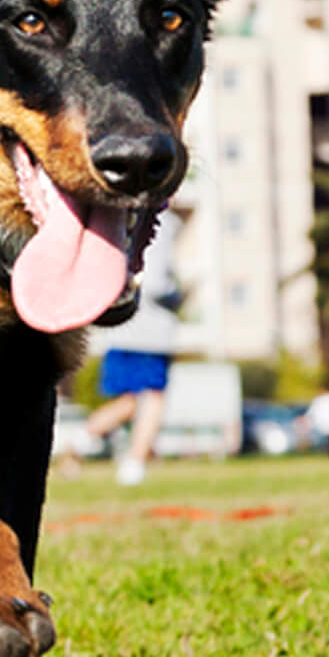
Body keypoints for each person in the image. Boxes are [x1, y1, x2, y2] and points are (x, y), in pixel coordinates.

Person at [85, 208, 183, 487]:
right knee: (154, 397)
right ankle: (135, 463)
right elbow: (156, 280)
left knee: (128, 401)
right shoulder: (162, 222)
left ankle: (78, 439)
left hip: (121, 328)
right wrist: (178, 294)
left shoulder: (116, 214)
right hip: (150, 327)